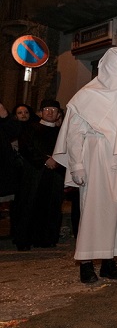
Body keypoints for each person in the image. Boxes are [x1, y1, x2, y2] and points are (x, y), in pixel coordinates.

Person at [52, 47, 117, 284]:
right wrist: (77, 164)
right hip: (96, 159)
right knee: (92, 211)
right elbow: (75, 133)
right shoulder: (86, 96)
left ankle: (109, 262)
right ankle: (86, 264)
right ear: (107, 66)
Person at [12, 99, 66, 250]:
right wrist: (44, 160)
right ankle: (25, 240)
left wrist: (57, 160)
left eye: (53, 110)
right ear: (41, 112)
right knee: (29, 204)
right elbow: (25, 148)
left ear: (58, 114)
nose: (50, 112)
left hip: (55, 175)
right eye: (46, 109)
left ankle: (47, 239)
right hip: (34, 174)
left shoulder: (61, 133)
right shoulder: (30, 128)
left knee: (52, 206)